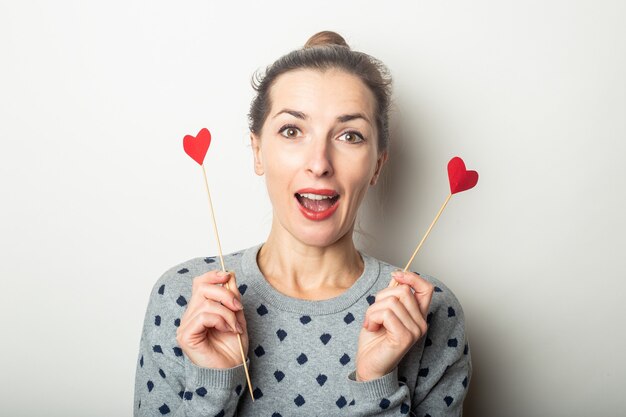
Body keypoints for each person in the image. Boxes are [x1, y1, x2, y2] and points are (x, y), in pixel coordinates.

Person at [134, 30, 472, 416]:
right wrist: (215, 386)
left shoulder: (427, 312)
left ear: (378, 164)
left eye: (350, 135)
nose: (319, 163)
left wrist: (376, 382)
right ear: (258, 151)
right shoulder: (184, 300)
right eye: (292, 130)